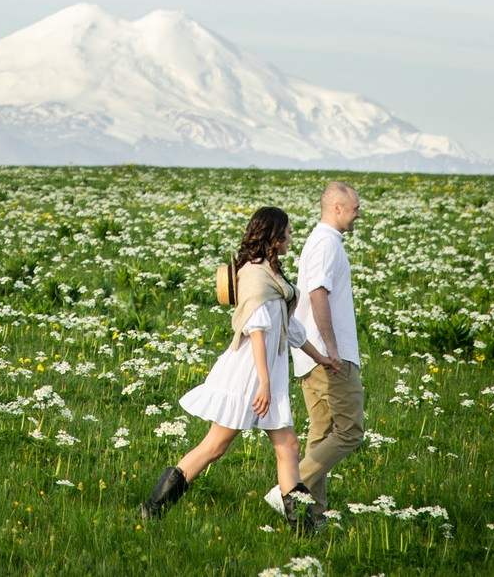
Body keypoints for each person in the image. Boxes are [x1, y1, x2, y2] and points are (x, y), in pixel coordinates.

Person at [137, 206, 338, 531]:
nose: (291, 237)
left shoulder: (272, 275)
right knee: (215, 446)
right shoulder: (255, 275)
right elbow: (256, 329)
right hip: (248, 374)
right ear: (274, 235)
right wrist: (263, 383)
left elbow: (289, 328)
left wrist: (322, 357)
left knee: (288, 446)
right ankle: (153, 507)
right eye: (286, 231)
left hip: (265, 373)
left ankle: (303, 527)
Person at [280, 180, 363, 525]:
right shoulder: (328, 243)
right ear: (337, 208)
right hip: (329, 356)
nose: (360, 214)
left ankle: (313, 513)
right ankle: (288, 489)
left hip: (310, 355)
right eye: (356, 208)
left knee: (322, 432)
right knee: (350, 430)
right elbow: (317, 294)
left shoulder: (319, 241)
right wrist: (332, 349)